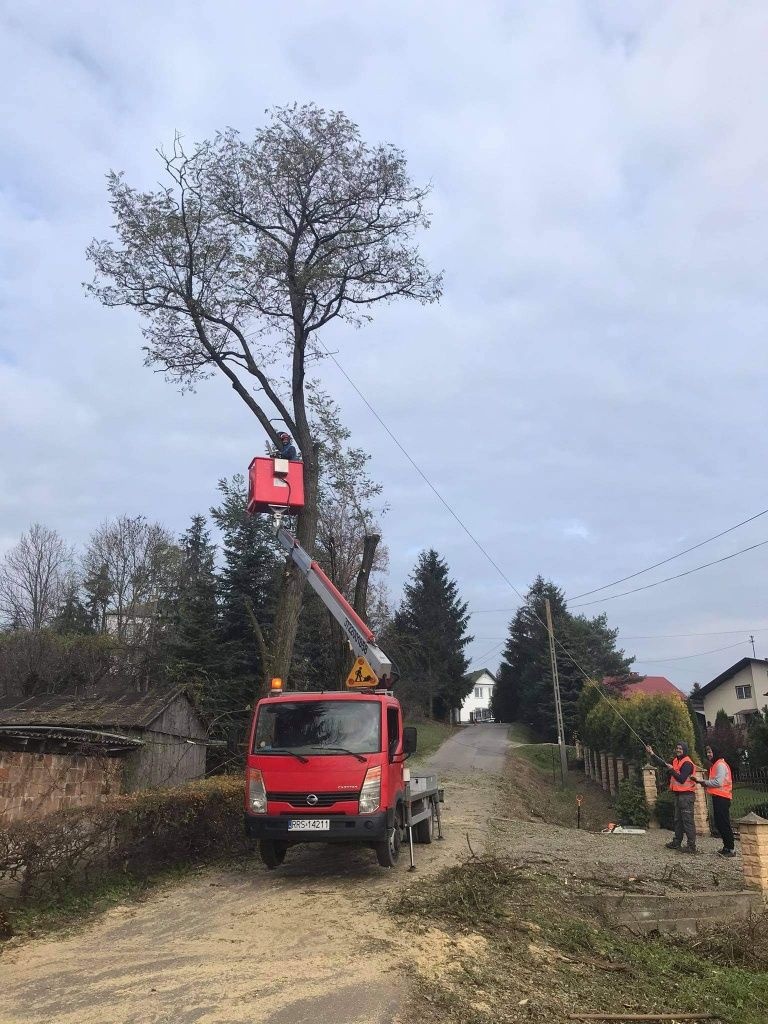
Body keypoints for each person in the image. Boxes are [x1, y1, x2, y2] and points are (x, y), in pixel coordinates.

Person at [645, 741, 698, 854]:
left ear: (685, 750)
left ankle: (691, 846)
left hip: (687, 796)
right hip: (679, 795)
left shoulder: (687, 763)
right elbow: (663, 763)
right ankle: (677, 842)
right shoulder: (676, 761)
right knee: (678, 820)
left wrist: (672, 770)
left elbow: (682, 779)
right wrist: (652, 754)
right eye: (677, 748)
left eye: (680, 748)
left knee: (687, 821)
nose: (678, 750)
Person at [696, 743, 735, 857]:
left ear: (716, 752)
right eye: (707, 752)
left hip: (723, 798)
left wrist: (704, 782)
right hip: (718, 797)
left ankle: (731, 849)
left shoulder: (720, 765)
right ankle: (726, 847)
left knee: (724, 823)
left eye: (710, 752)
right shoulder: (715, 765)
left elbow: (718, 782)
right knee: (720, 823)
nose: (709, 754)